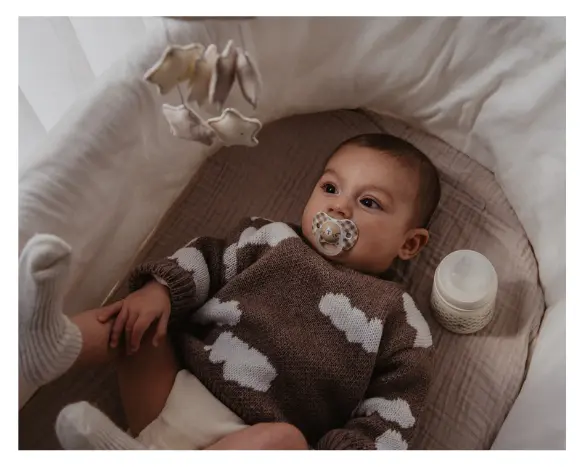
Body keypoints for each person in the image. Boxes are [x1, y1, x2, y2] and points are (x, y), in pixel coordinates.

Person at [19, 133, 441, 450]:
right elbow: (206, 261)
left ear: (409, 243)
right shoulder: (271, 239)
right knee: (138, 319)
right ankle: (53, 344)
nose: (338, 207)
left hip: (253, 439)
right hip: (172, 390)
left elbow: (394, 411)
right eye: (330, 188)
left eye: (369, 203)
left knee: (286, 441)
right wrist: (160, 291)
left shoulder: (398, 318)